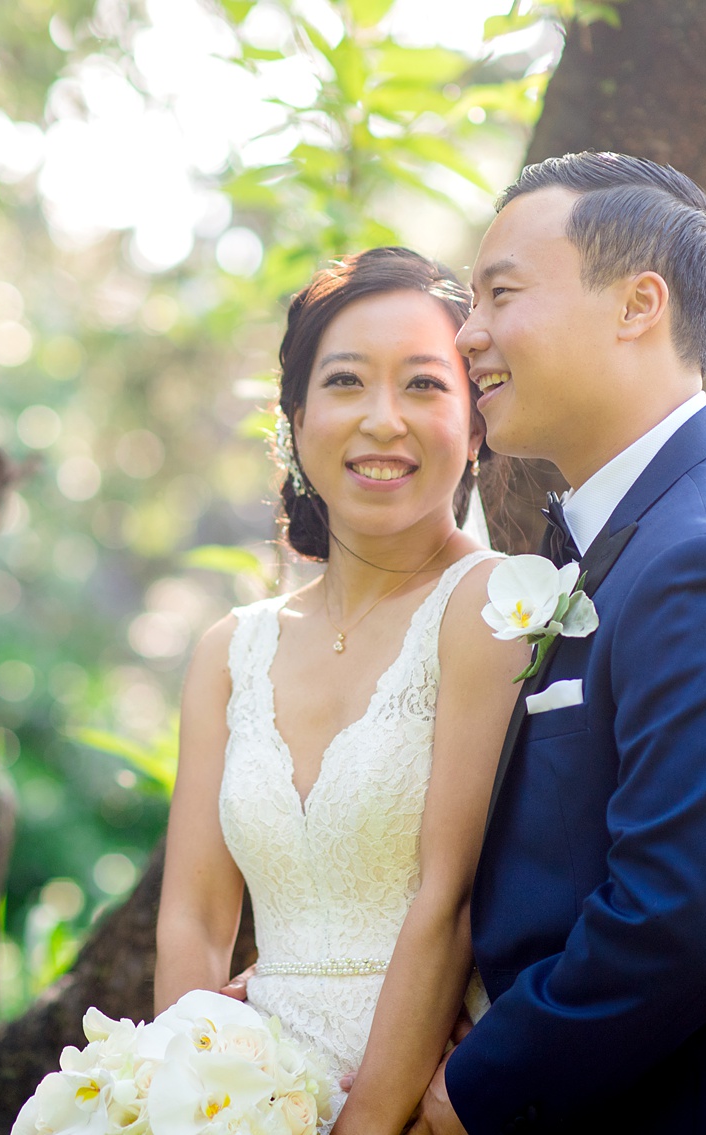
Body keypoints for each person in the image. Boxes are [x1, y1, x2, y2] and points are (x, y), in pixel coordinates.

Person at [403, 153, 706, 1135]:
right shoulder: (632, 541)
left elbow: (676, 925)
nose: (465, 334)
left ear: (636, 305)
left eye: (501, 293)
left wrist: (473, 1086)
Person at [154, 247, 529, 1133]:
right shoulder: (227, 652)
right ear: (294, 418)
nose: (382, 420)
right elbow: (195, 921)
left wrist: (365, 1122)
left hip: (424, 1099)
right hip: (253, 1095)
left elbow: (450, 899)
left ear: (476, 426)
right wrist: (181, 1097)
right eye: (347, 382)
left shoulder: (490, 608)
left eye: (426, 386)